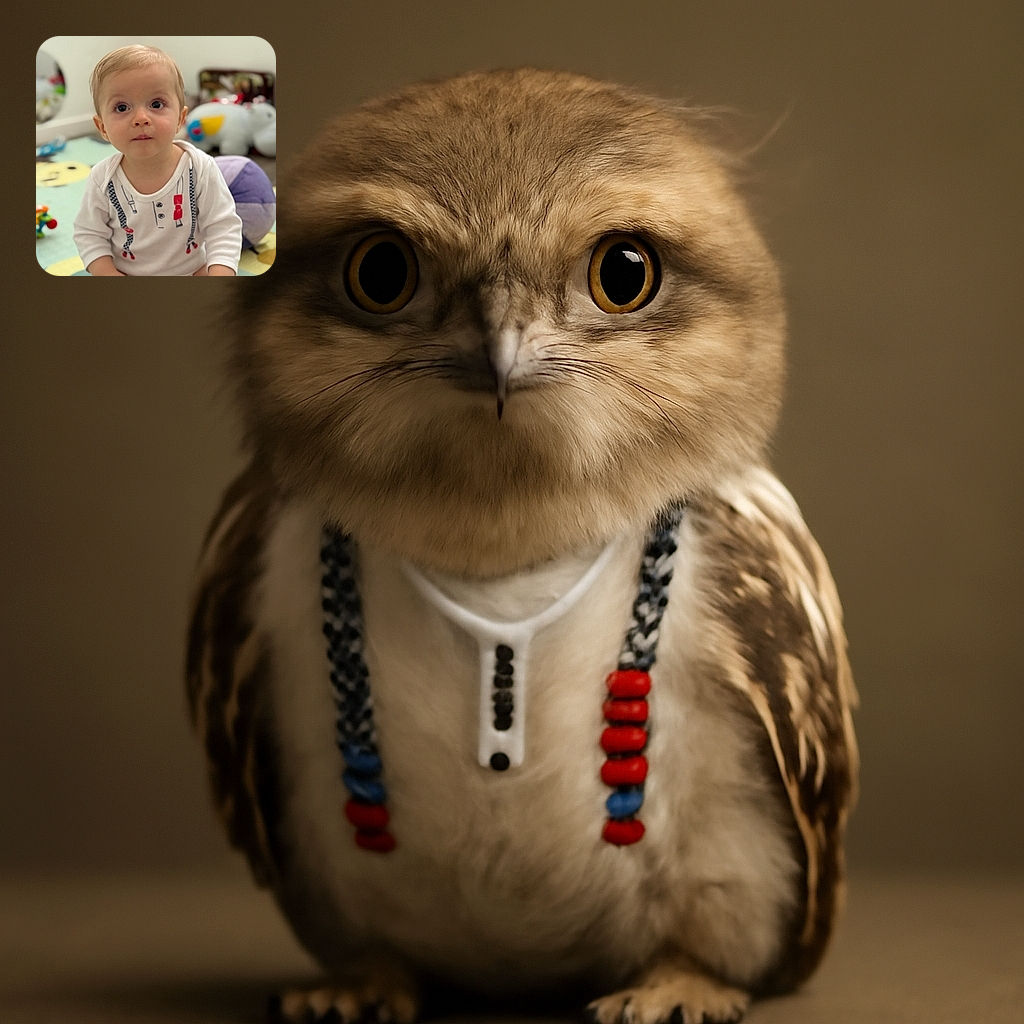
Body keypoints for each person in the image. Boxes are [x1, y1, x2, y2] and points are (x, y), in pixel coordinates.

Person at [74, 45, 242, 276]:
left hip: (194, 271)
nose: (141, 118)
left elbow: (223, 228)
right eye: (122, 107)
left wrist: (220, 272)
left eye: (156, 104)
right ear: (102, 127)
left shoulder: (200, 167)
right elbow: (89, 234)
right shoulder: (102, 178)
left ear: (181, 119)